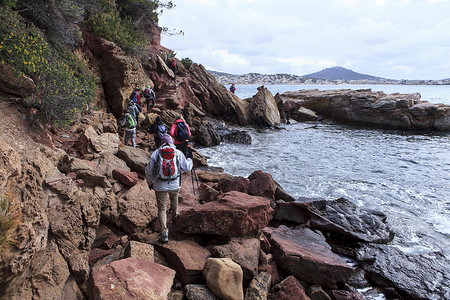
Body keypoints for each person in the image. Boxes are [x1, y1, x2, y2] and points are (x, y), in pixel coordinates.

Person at [145, 134, 193, 243]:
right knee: (174, 200)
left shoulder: (156, 153)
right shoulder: (177, 153)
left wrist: (150, 182)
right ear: (172, 143)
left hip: (159, 185)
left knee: (162, 208)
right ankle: (175, 217)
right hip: (174, 184)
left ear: (162, 143)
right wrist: (190, 159)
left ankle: (164, 232)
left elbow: (149, 170)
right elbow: (186, 168)